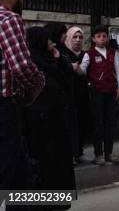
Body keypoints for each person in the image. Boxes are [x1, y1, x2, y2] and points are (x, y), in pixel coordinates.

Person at [0, 0, 45, 200]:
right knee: (14, 170)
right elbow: (21, 66)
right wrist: (37, 86)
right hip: (4, 105)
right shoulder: (9, 19)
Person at [23, 27, 76, 210]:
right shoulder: (32, 65)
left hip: (57, 124)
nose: (52, 42)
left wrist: (59, 58)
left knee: (58, 166)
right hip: (41, 126)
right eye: (47, 39)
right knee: (45, 167)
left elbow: (68, 78)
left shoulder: (51, 60)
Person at [80, 25, 119, 166]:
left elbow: (117, 70)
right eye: (98, 36)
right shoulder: (89, 54)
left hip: (111, 91)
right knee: (98, 123)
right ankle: (98, 154)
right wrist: (76, 69)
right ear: (93, 39)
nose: (102, 39)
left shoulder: (112, 52)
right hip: (96, 92)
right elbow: (82, 70)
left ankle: (109, 153)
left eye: (104, 36)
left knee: (109, 123)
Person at [45, 23, 80, 165]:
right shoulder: (52, 51)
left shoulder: (62, 50)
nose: (66, 36)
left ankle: (74, 153)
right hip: (58, 96)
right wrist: (71, 67)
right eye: (63, 33)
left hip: (68, 93)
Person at [65, 26, 90, 163]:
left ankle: (79, 152)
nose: (78, 40)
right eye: (75, 37)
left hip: (81, 93)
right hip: (68, 93)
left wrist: (73, 67)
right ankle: (71, 153)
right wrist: (72, 67)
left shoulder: (85, 55)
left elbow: (82, 72)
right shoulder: (64, 53)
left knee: (81, 122)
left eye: (80, 37)